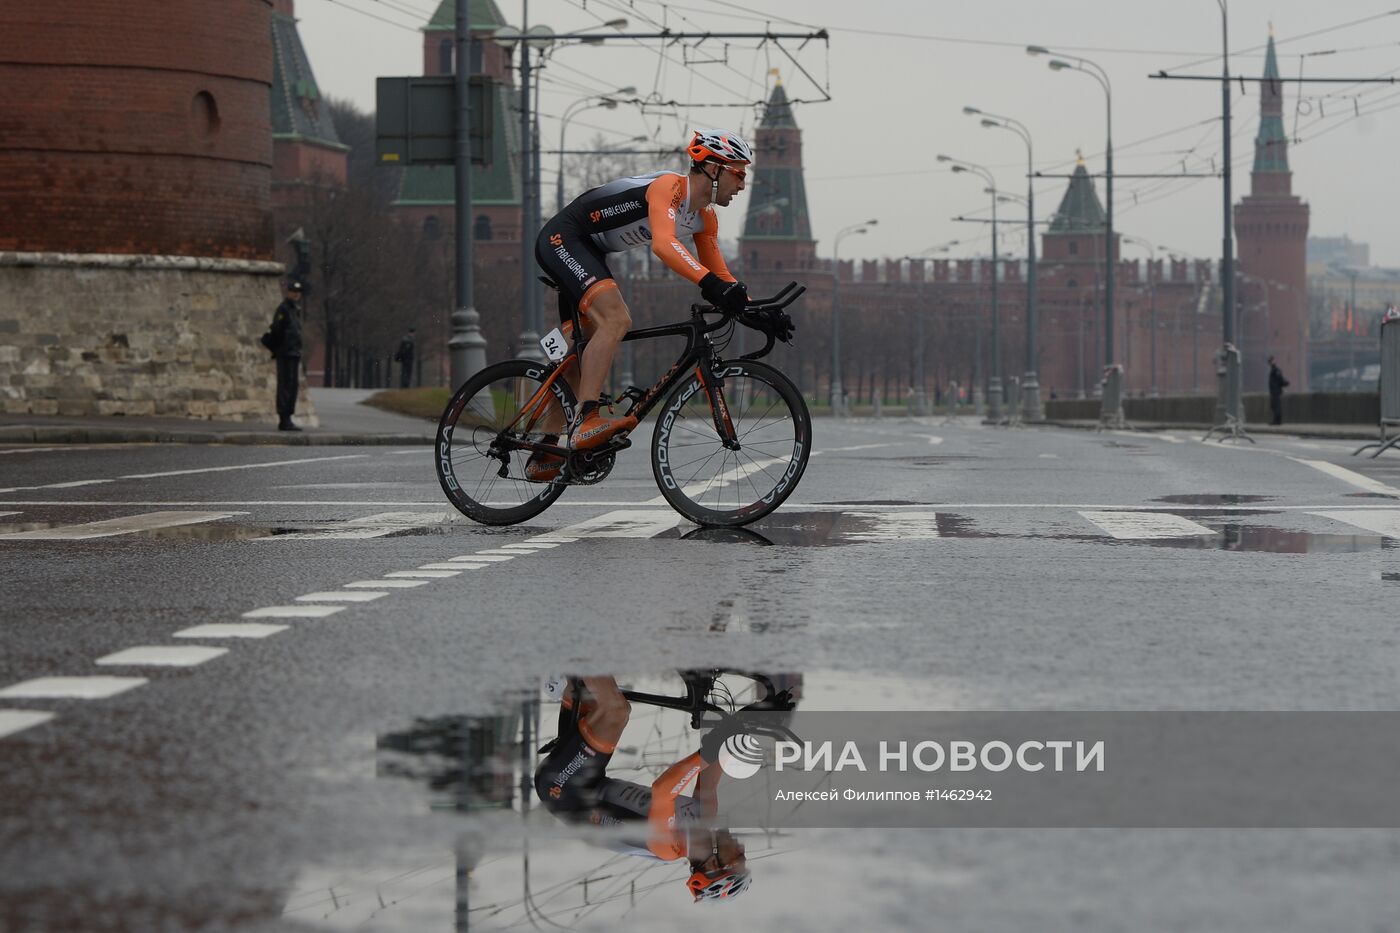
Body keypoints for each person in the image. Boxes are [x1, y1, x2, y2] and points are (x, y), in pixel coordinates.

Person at [527, 129, 753, 481]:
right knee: (616, 320)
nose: (742, 184)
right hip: (564, 238)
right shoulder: (670, 188)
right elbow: (664, 245)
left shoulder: (704, 217)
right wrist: (710, 285)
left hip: (591, 251)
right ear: (712, 168)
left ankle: (545, 451)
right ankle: (587, 419)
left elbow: (719, 273)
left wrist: (754, 309)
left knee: (578, 348)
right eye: (738, 173)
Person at [534, 676, 753, 903]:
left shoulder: (668, 847)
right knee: (586, 692)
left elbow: (664, 790)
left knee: (615, 712)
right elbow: (715, 762)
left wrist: (713, 748)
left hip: (563, 790)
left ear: (715, 864)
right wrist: (756, 720)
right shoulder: (705, 817)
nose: (742, 847)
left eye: (739, 856)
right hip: (589, 779)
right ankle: (564, 680)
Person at [266, 280, 304, 431]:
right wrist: (280, 348)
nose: (295, 294)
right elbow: (277, 330)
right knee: (285, 386)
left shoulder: (295, 309)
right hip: (285, 353)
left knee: (292, 385)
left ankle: (288, 416)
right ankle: (284, 418)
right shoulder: (284, 309)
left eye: (298, 292)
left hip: (294, 352)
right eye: (293, 291)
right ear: (288, 292)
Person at [1267, 355, 1289, 426]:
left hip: (1276, 391)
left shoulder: (1276, 370)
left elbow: (1280, 380)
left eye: (1271, 361)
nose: (1270, 363)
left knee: (1277, 406)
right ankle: (1276, 421)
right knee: (1274, 406)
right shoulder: (1273, 370)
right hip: (1273, 391)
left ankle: (1277, 421)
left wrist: (1285, 383)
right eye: (1270, 361)